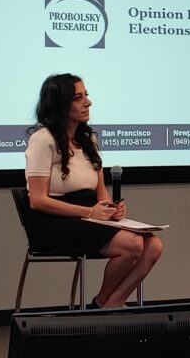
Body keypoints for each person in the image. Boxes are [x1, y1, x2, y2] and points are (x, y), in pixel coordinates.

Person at [23, 73, 163, 308]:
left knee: (154, 246)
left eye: (86, 95)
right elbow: (38, 201)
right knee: (133, 245)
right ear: (60, 103)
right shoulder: (42, 139)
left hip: (89, 216)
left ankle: (108, 304)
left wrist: (112, 209)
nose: (88, 102)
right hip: (53, 221)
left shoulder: (88, 139)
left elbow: (100, 194)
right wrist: (89, 213)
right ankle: (104, 306)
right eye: (78, 98)